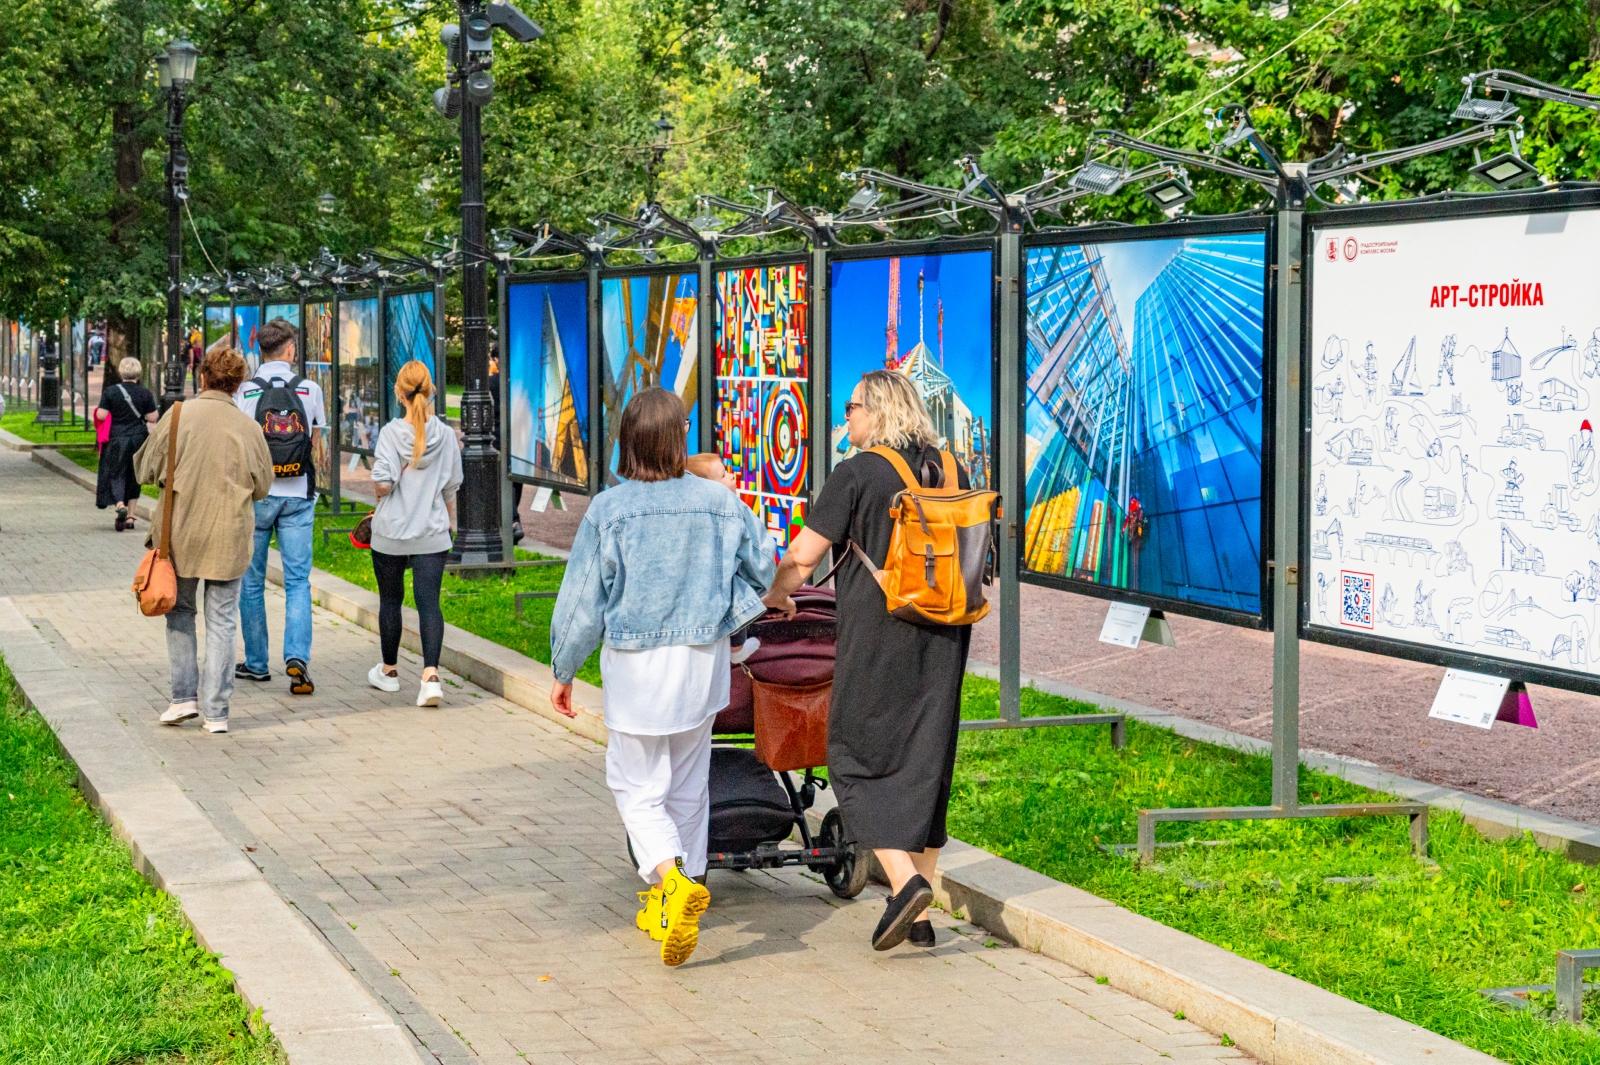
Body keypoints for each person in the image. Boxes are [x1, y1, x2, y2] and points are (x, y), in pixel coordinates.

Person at [548, 387, 776, 967]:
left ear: (628, 440)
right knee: (688, 785)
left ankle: (671, 884)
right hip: (702, 663)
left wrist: (564, 667)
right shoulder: (719, 502)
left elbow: (582, 601)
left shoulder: (609, 510)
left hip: (637, 669)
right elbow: (763, 565)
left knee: (634, 784)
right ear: (680, 439)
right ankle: (679, 893)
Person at [761, 370, 972, 952]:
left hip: (881, 633)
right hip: (947, 631)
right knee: (927, 760)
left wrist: (776, 594)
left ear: (877, 411)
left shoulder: (855, 473)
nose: (845, 417)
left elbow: (803, 557)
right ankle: (920, 918)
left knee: (851, 756)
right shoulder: (952, 468)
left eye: (852, 407)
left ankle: (905, 887)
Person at [134, 347, 274, 734]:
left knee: (180, 612)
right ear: (238, 384)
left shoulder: (178, 415)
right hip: (230, 535)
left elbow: (145, 468)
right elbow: (263, 485)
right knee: (223, 620)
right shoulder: (249, 427)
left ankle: (183, 698)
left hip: (180, 533)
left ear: (203, 377)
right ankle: (217, 712)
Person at [233, 317, 327, 694]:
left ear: (261, 350)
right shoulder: (309, 388)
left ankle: (256, 662)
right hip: (298, 494)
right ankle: (297, 658)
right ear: (290, 350)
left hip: (256, 495)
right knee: (298, 580)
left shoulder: (246, 392)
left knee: (251, 581)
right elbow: (315, 440)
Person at [366, 360, 462, 708]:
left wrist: (379, 488)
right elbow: (452, 485)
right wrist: (450, 523)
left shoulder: (391, 433)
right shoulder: (446, 435)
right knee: (429, 603)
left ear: (399, 393)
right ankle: (431, 678)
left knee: (391, 601)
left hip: (391, 532)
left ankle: (389, 672)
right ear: (431, 390)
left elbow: (383, 483)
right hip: (432, 532)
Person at [95, 356, 158, 532]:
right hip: (138, 439)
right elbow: (153, 417)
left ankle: (120, 504)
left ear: (121, 372)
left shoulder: (111, 392)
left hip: (117, 438)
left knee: (117, 473)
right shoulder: (145, 393)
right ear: (138, 373)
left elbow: (101, 415)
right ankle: (130, 517)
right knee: (134, 476)